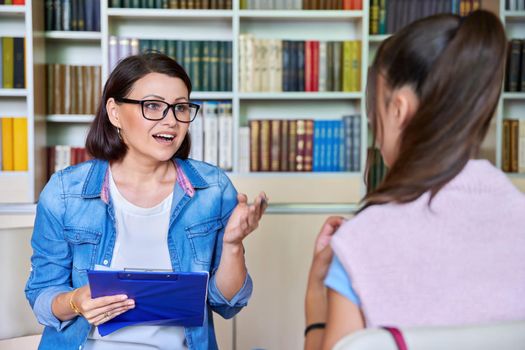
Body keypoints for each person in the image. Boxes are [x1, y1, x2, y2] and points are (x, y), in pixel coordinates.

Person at [305, 10, 525, 350]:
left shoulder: (361, 243)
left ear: (398, 109)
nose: (376, 136)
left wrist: (315, 303)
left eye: (373, 112)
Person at [25, 53, 267, 350]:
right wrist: (75, 301)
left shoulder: (213, 189)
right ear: (114, 112)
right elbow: (42, 295)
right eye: (153, 106)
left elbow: (227, 304)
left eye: (180, 107)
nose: (171, 121)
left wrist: (232, 246)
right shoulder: (65, 192)